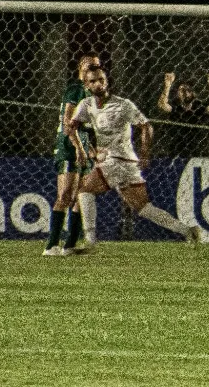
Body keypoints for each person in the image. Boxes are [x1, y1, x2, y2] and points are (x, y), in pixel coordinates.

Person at [67, 65, 199, 244]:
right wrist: (84, 150)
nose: (98, 84)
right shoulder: (86, 104)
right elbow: (71, 126)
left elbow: (146, 126)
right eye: (93, 81)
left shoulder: (123, 105)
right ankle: (187, 230)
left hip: (120, 160)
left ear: (107, 82)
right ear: (87, 86)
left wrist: (145, 152)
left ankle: (90, 241)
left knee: (85, 190)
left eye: (101, 80)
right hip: (118, 164)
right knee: (143, 207)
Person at [46, 53, 100, 256]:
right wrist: (77, 147)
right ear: (80, 68)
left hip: (83, 148)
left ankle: (70, 245)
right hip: (69, 147)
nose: (94, 68)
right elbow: (68, 122)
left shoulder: (90, 94)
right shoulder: (76, 89)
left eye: (97, 65)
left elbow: (84, 127)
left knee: (82, 196)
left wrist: (92, 150)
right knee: (65, 195)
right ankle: (51, 246)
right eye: (90, 65)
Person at [157, 72, 209, 157]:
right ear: (177, 94)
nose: (186, 93)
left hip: (198, 151)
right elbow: (162, 105)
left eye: (188, 89)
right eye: (182, 90)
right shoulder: (176, 107)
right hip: (177, 152)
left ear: (193, 92)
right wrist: (167, 85)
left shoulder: (199, 107)